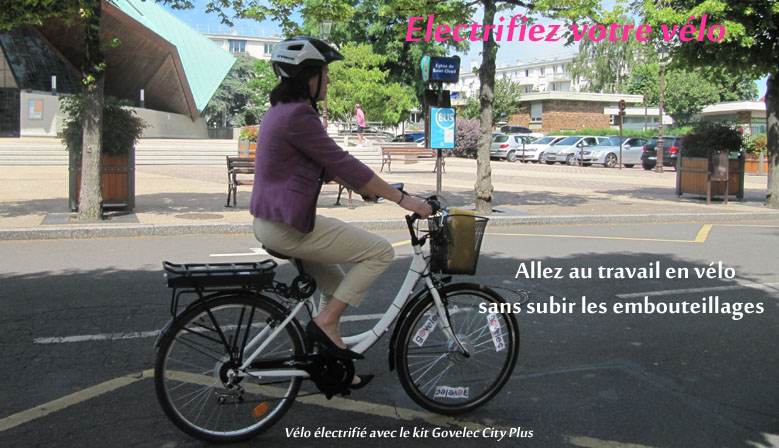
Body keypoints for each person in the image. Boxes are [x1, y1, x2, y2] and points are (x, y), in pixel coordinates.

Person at [250, 36, 432, 389]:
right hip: (288, 227)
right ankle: (326, 325)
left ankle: (330, 365)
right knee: (379, 252)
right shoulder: (300, 115)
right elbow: (342, 162)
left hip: (272, 222)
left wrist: (368, 189)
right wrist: (402, 199)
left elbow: (327, 168)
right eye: (324, 72)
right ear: (307, 76)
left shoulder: (278, 112)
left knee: (334, 286)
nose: (328, 80)